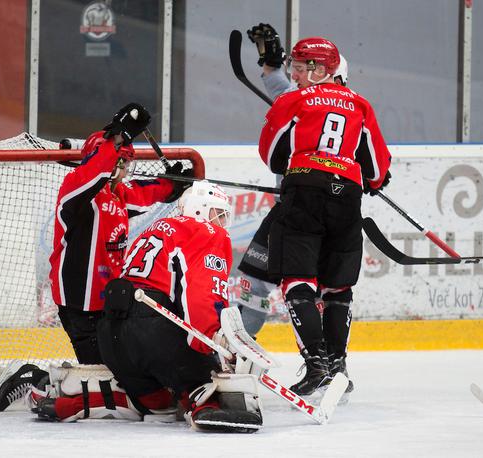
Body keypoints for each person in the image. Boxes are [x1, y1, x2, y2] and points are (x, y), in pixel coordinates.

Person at [0, 103, 193, 412]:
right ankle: (36, 378)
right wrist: (118, 136)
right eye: (122, 163)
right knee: (108, 380)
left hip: (109, 303)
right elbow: (93, 170)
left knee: (125, 374)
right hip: (80, 305)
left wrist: (171, 186)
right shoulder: (76, 191)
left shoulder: (117, 195)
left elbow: (145, 192)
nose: (125, 171)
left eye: (127, 165)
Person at [32, 181, 263, 433]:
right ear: (198, 209)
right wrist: (213, 341)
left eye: (224, 216)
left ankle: (75, 403)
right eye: (216, 213)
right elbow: (201, 295)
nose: (220, 221)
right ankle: (205, 406)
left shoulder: (152, 230)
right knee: (205, 384)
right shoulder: (207, 232)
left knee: (158, 404)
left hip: (111, 334)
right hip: (151, 329)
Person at [258, 36, 391, 397]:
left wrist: (301, 161)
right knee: (338, 284)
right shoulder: (360, 104)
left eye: (300, 69)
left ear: (319, 70)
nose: (296, 75)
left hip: (304, 191)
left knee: (297, 277)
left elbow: (270, 154)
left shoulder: (294, 100)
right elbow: (377, 167)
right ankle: (338, 366)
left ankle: (316, 364)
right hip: (347, 197)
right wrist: (373, 179)